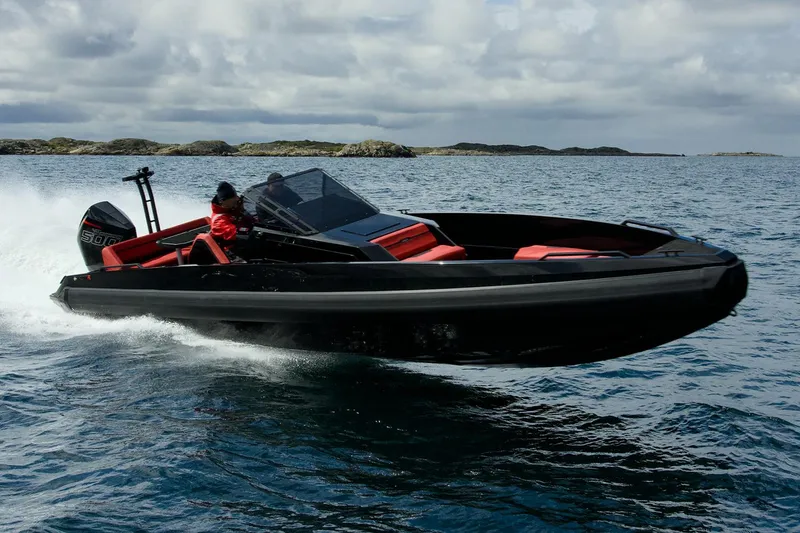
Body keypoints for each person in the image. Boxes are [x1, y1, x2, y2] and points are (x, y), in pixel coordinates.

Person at [210, 181, 255, 258]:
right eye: (233, 197)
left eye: (236, 196)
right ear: (222, 201)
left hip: (242, 245)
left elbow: (250, 218)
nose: (236, 199)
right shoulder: (218, 220)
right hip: (231, 252)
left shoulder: (231, 210)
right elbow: (234, 233)